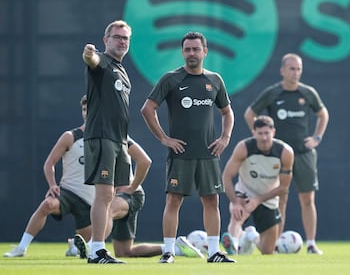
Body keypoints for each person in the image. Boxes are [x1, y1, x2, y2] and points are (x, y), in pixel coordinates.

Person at [141, 31, 235, 263]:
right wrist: (164, 139)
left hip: (208, 153)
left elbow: (227, 111)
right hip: (180, 154)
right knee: (173, 201)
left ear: (205, 51)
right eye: (187, 49)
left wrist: (225, 137)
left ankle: (214, 253)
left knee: (212, 201)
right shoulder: (171, 79)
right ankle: (168, 252)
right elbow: (147, 109)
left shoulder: (215, 80)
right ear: (182, 52)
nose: (191, 53)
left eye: (196, 49)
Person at [244, 53, 328, 254]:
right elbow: (249, 113)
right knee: (281, 198)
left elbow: (323, 113)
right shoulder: (273, 93)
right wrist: (261, 139)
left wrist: (316, 138)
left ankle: (311, 244)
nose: (296, 72)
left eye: (299, 68)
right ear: (282, 71)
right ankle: (274, 244)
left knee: (307, 199)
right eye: (292, 68)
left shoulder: (307, 93)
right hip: (278, 156)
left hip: (303, 153)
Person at [73, 137, 204, 259]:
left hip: (130, 195)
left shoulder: (117, 135)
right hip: (115, 196)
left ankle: (92, 246)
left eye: (87, 110)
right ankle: (175, 248)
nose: (87, 114)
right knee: (124, 252)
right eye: (84, 110)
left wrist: (132, 186)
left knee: (109, 209)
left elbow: (145, 161)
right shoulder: (88, 138)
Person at [4, 95, 94, 258]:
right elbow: (49, 163)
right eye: (84, 109)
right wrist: (53, 185)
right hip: (68, 192)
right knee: (47, 204)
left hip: (91, 201)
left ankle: (73, 246)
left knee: (83, 244)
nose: (86, 112)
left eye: (89, 108)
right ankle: (21, 248)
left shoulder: (107, 138)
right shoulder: (70, 136)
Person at [82, 20, 132, 264]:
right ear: (106, 40)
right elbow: (92, 60)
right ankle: (97, 251)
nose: (121, 41)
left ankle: (97, 247)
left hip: (118, 140)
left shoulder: (120, 69)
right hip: (102, 137)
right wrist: (89, 54)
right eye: (117, 37)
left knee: (109, 196)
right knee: (102, 196)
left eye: (125, 38)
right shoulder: (101, 62)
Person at [221, 116, 294, 255]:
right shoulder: (244, 147)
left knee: (268, 251)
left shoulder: (285, 152)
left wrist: (259, 200)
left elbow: (284, 187)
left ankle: (251, 236)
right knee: (238, 214)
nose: (264, 137)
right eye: (260, 133)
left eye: (267, 133)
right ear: (253, 133)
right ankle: (233, 245)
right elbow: (226, 176)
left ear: (273, 132)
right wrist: (235, 202)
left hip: (269, 198)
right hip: (245, 192)